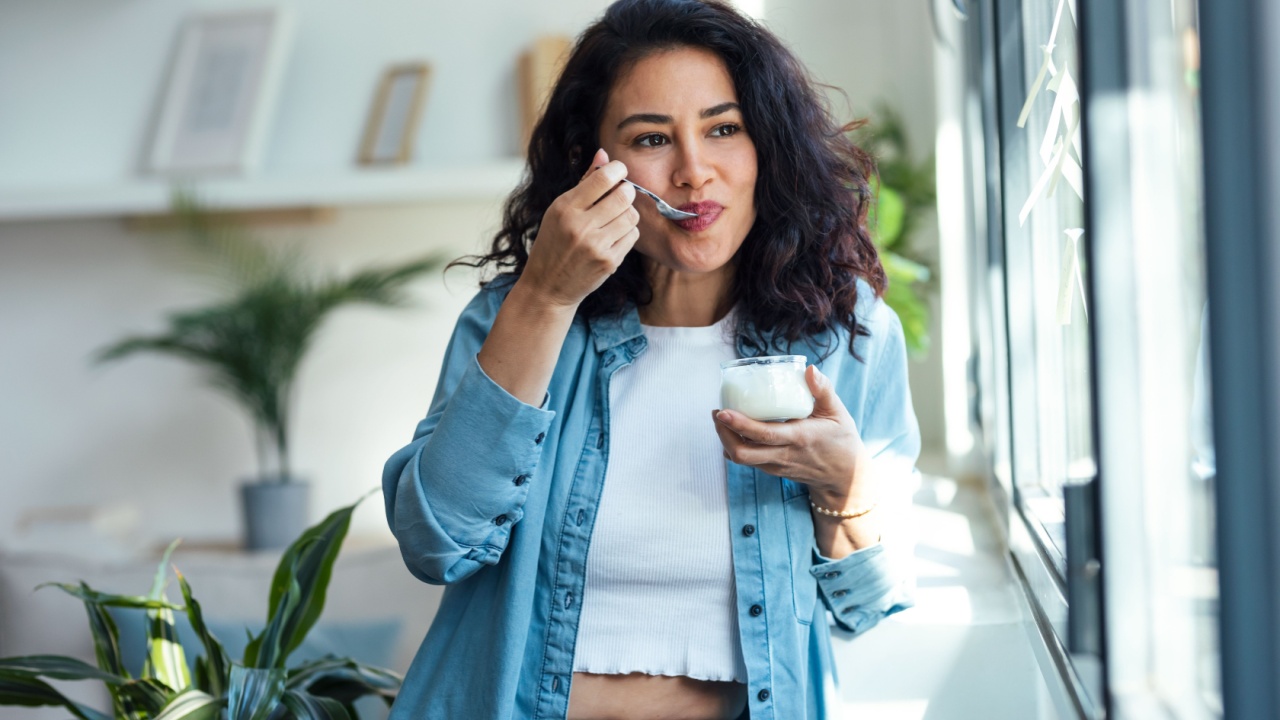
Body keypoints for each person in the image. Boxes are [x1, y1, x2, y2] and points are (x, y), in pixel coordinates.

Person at [382, 1, 920, 717]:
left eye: (724, 129)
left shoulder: (846, 334)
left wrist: (843, 484)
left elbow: (869, 604)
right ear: (591, 163)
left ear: (769, 145)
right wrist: (545, 298)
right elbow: (435, 543)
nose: (694, 173)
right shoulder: (515, 314)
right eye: (651, 139)